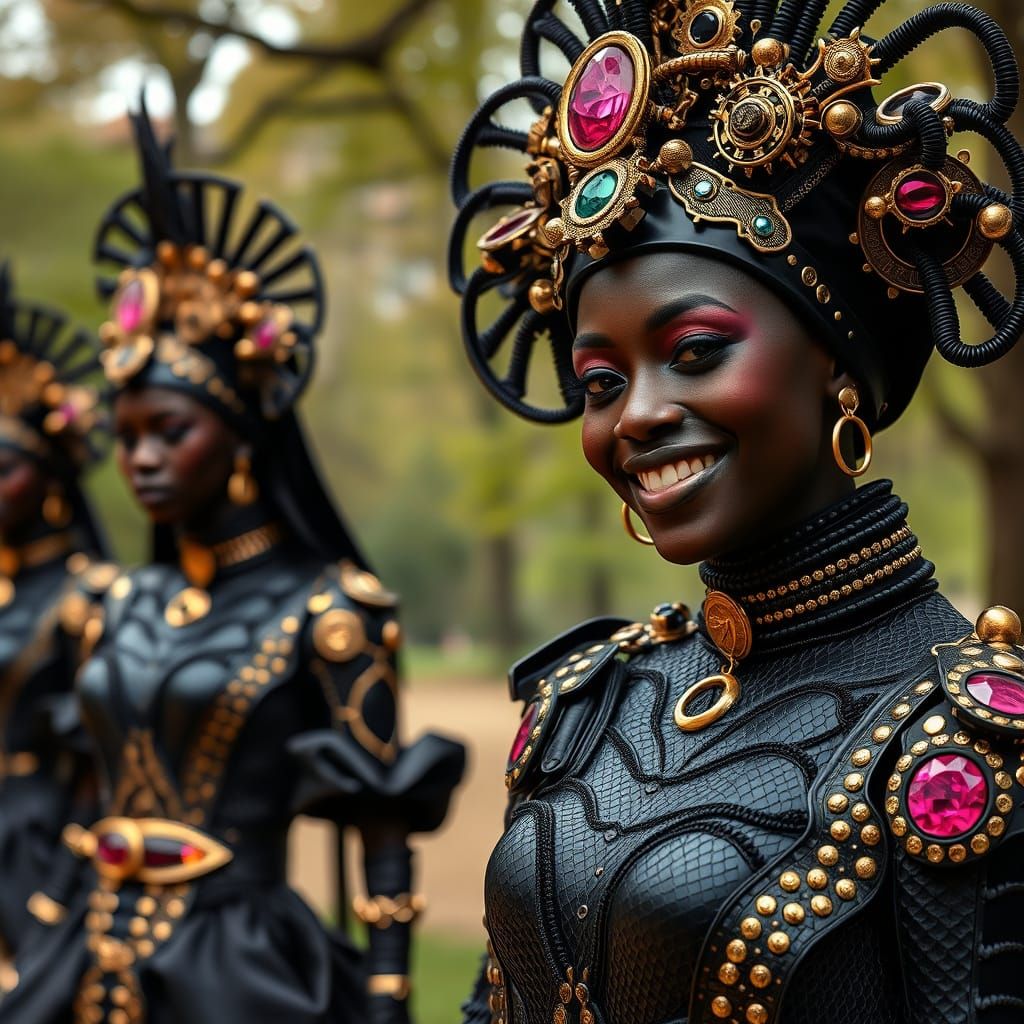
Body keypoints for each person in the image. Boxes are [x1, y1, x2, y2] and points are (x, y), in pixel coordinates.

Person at [449, 0, 1024, 1021]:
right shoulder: (580, 704)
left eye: (696, 352)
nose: (636, 415)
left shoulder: (962, 739)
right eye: (599, 382)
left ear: (835, 365)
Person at [0, 106, 465, 1024]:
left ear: (243, 438)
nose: (140, 460)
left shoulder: (334, 614)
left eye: (170, 432)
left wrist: (387, 996)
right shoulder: (114, 603)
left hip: (240, 970)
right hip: (81, 956)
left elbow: (380, 826)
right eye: (128, 436)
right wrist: (48, 914)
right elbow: (89, 788)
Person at [0, 264, 109, 961]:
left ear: (48, 477)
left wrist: (60, 886)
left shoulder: (90, 599)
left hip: (37, 848)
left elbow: (106, 761)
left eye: (3, 470)